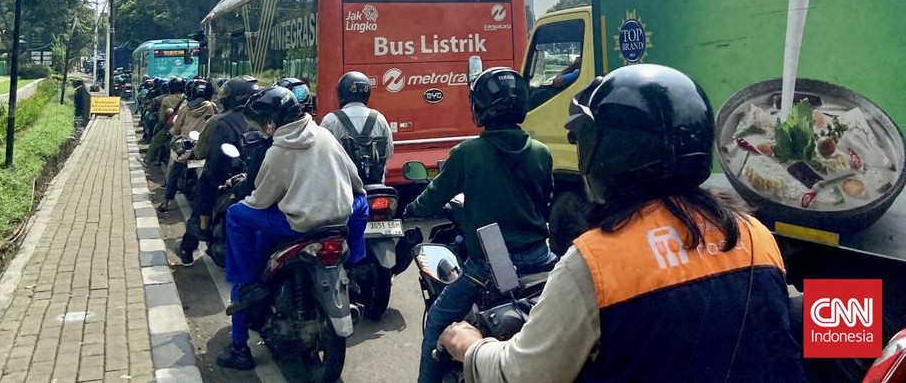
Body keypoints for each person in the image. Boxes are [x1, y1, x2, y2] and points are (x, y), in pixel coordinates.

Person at [437, 64, 805, 383]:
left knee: (445, 322)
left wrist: (468, 345)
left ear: (607, 152)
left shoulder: (597, 261)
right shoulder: (752, 233)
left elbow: (519, 374)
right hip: (534, 256)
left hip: (498, 267)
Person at [404, 67, 556, 383]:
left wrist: (411, 210)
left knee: (437, 321)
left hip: (490, 264)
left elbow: (432, 199)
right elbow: (543, 204)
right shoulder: (542, 153)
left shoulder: (467, 153)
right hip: (541, 259)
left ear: (480, 107)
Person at [219, 86, 363, 371]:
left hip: (298, 226)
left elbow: (260, 200)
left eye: (263, 123)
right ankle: (357, 264)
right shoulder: (325, 134)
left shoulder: (278, 150)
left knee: (236, 214)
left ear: (271, 122)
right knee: (364, 202)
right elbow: (355, 179)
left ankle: (245, 284)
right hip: (338, 222)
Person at [174, 76, 261, 265]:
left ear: (235, 98)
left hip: (229, 177)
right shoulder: (263, 119)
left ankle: (190, 244)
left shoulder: (220, 121)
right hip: (259, 178)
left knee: (205, 186)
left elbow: (207, 156)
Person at [320, 71, 394, 266]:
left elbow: (321, 157)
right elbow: (389, 151)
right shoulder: (380, 119)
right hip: (376, 190)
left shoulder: (330, 121)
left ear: (341, 93)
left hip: (342, 193)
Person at [158, 79, 217, 212]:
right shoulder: (212, 107)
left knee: (174, 170)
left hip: (187, 146)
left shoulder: (185, 108)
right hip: (205, 145)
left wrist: (173, 132)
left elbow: (177, 126)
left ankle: (166, 201)